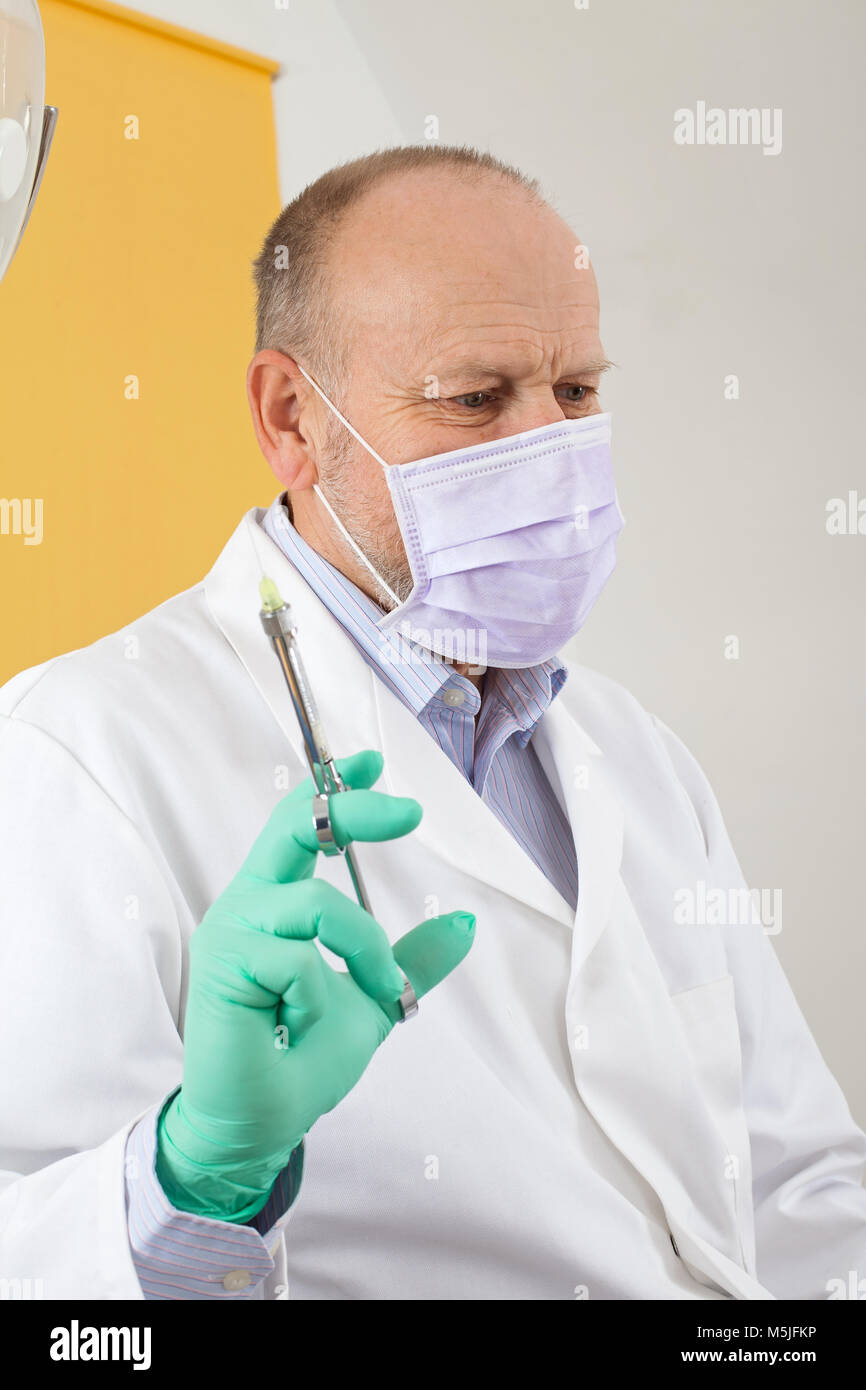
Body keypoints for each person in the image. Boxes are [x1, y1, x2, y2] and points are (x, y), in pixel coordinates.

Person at [1, 145, 863, 1301]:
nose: (546, 450)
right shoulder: (81, 748)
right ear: (291, 416)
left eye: (574, 392)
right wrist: (197, 1176)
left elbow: (794, 1185)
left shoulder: (632, 753)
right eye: (473, 398)